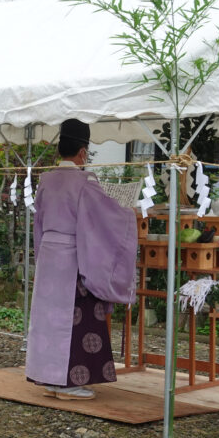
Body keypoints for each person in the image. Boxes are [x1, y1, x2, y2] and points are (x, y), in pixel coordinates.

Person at [25, 119, 138, 400]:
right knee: (77, 317)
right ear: (83, 152)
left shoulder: (46, 180)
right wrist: (127, 213)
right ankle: (69, 383)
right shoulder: (85, 182)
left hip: (49, 255)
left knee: (50, 320)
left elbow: (38, 223)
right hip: (74, 258)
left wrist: (40, 257)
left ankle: (50, 379)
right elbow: (102, 219)